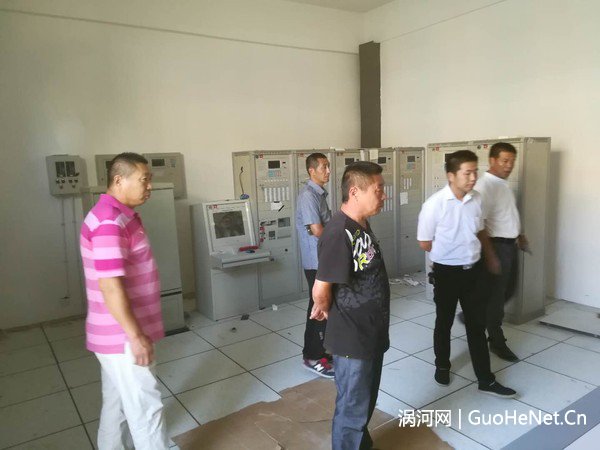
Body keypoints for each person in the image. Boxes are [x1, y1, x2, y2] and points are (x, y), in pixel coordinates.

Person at [80, 152, 169, 450]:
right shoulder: (109, 220)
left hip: (114, 333)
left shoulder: (119, 215)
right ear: (119, 180)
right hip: (122, 336)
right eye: (144, 180)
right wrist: (135, 336)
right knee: (146, 410)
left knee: (116, 405)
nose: (149, 186)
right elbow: (110, 286)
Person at [417, 150, 517, 398]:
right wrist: (449, 254)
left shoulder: (477, 199)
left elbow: (481, 229)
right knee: (444, 322)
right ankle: (442, 365)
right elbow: (425, 242)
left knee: (476, 326)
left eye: (475, 172)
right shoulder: (434, 205)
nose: (473, 177)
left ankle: (486, 379)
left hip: (474, 272)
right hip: (446, 273)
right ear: (451, 175)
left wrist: (490, 256)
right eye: (467, 173)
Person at [311, 161, 390, 450]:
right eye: (378, 190)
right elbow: (320, 289)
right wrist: (326, 309)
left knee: (365, 401)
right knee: (352, 408)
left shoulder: (361, 224)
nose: (384, 195)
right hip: (352, 337)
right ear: (355, 192)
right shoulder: (337, 232)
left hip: (370, 331)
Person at [475, 142, 528, 361]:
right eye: (505, 161)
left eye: (512, 161)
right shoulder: (485, 187)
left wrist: (519, 234)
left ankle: (475, 315)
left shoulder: (502, 184)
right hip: (496, 247)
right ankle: (496, 341)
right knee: (497, 297)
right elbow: (480, 225)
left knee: (508, 290)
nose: (509, 165)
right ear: (492, 160)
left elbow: (506, 214)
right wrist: (490, 255)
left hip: (508, 245)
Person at [295, 152, 334, 377]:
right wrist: (340, 236)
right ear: (312, 171)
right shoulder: (308, 196)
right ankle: (312, 356)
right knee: (318, 307)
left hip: (324, 258)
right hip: (316, 261)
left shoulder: (319, 194)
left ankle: (321, 351)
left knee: (323, 306)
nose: (328, 171)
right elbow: (318, 230)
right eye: (324, 167)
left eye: (328, 166)